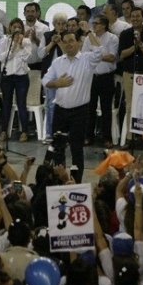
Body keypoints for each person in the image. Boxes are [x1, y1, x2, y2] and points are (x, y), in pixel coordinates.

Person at [42, 31, 103, 183]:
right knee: (57, 148)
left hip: (80, 112)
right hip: (60, 111)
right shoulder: (58, 62)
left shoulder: (87, 59)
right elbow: (45, 80)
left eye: (72, 40)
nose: (69, 44)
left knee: (76, 149)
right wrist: (57, 83)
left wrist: (89, 33)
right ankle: (59, 180)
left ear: (78, 43)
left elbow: (99, 51)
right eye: (65, 41)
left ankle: (76, 182)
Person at [117, 7, 143, 148]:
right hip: (129, 74)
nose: (135, 19)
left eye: (137, 16)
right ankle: (130, 138)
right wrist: (134, 46)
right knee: (130, 106)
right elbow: (121, 54)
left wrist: (140, 43)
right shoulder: (125, 34)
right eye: (132, 16)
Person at [83, 15, 118, 148]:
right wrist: (98, 56)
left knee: (106, 109)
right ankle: (88, 136)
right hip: (91, 77)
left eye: (96, 23)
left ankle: (106, 138)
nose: (94, 26)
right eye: (93, 23)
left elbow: (111, 57)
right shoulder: (88, 38)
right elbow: (85, 57)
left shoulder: (112, 38)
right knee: (89, 108)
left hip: (106, 77)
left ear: (104, 25)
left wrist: (96, 55)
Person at [0, 19, 31, 143]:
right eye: (14, 27)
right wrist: (13, 48)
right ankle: (3, 131)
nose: (16, 29)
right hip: (7, 77)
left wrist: (20, 44)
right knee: (6, 104)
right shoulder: (4, 41)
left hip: (21, 77)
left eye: (19, 27)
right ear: (10, 28)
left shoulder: (26, 41)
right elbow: (2, 58)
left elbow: (26, 57)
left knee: (21, 104)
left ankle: (24, 132)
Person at [39, 13, 67, 143]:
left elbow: (69, 53)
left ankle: (62, 133)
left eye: (62, 23)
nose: (60, 26)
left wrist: (60, 42)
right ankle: (49, 134)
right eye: (58, 23)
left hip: (65, 75)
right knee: (50, 105)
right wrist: (52, 43)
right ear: (54, 24)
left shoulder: (68, 37)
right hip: (50, 75)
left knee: (65, 104)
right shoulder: (46, 36)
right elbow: (40, 54)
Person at [23, 2, 49, 73]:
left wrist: (35, 39)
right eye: (28, 11)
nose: (30, 14)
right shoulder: (20, 26)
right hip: (22, 64)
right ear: (24, 13)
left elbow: (46, 48)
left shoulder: (44, 28)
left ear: (37, 13)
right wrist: (24, 38)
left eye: (32, 11)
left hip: (38, 65)